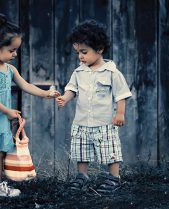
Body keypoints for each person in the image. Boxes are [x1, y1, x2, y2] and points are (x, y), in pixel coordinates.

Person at [0, 13, 59, 197]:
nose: (15, 54)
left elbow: (26, 85)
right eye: (12, 50)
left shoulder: (9, 69)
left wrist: (46, 93)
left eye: (16, 50)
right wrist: (7, 111)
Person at [56, 20, 132, 194]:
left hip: (104, 122)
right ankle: (82, 176)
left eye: (84, 52)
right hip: (82, 122)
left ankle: (114, 178)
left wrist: (120, 113)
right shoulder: (79, 71)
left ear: (99, 49)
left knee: (110, 150)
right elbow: (71, 89)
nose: (80, 57)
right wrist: (65, 99)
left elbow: (121, 94)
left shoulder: (112, 72)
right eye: (78, 53)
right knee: (81, 150)